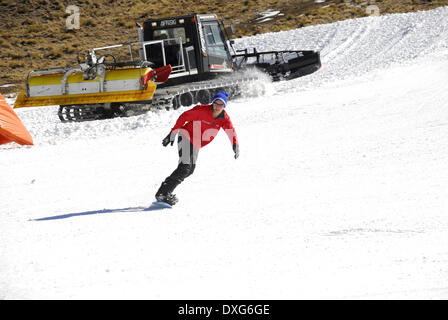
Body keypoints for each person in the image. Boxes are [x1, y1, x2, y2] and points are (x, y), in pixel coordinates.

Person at [155, 91, 240, 205]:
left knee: (190, 170)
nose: (217, 107)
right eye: (215, 103)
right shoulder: (201, 110)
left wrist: (235, 145)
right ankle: (163, 193)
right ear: (212, 103)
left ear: (224, 106)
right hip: (186, 135)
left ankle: (166, 191)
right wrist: (172, 133)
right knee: (185, 167)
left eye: (220, 105)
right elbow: (183, 116)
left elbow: (230, 130)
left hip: (196, 143)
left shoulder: (224, 118)